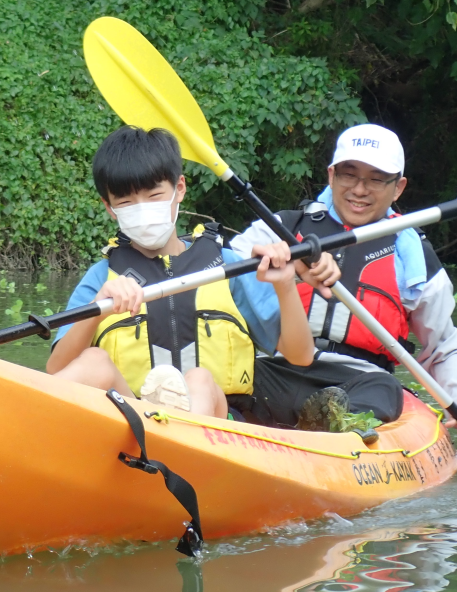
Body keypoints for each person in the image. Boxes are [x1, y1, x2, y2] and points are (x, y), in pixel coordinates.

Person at [230, 123, 457, 445]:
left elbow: (442, 347)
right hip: (276, 368)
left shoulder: (414, 259)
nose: (359, 189)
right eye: (349, 174)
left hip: (358, 378)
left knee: (385, 388)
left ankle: (337, 425)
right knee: (233, 374)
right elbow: (226, 266)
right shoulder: (281, 229)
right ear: (331, 175)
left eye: (376, 179)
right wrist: (290, 266)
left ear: (398, 187)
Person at [46, 126, 332, 420]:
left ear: (179, 188)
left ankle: (185, 445)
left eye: (154, 195)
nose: (142, 210)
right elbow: (57, 370)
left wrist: (285, 284)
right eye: (126, 203)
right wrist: (97, 310)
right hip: (134, 419)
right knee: (94, 361)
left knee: (199, 379)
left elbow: (301, 356)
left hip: (219, 424)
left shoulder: (228, 266)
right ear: (109, 207)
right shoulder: (101, 278)